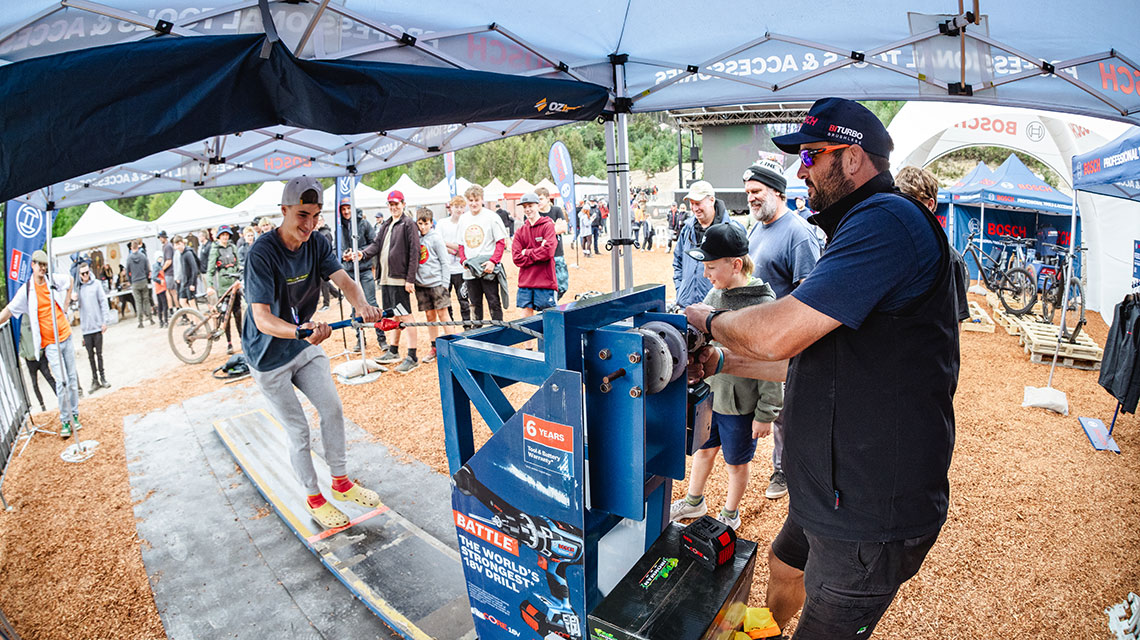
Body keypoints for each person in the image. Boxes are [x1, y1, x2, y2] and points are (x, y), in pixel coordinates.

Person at [684, 97, 959, 639]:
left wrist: (705, 322)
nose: (800, 169)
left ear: (852, 158)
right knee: (785, 565)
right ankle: (766, 631)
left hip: (869, 508)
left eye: (811, 155)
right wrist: (720, 360)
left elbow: (778, 331)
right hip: (827, 487)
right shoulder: (857, 226)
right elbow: (811, 360)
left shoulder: (889, 223)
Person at [242, 176, 383, 529]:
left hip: (302, 343)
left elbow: (346, 282)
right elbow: (261, 318)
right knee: (298, 431)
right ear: (284, 210)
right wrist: (299, 330)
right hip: (268, 356)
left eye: (316, 215)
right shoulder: (261, 252)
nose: (309, 224)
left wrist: (364, 305)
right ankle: (314, 497)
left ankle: (340, 482)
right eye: (302, 215)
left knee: (332, 408)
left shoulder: (317, 242)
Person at [670, 224, 781, 530]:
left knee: (736, 463)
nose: (706, 275)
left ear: (735, 264)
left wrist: (765, 414)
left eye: (711, 267)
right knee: (703, 450)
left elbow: (772, 366)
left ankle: (731, 514)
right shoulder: (714, 294)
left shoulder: (762, 306)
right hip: (711, 397)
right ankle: (694, 502)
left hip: (741, 406)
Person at [742, 160, 822, 501]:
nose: (751, 199)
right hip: (756, 338)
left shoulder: (798, 233)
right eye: (747, 194)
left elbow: (810, 295)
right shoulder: (756, 229)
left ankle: (784, 470)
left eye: (757, 192)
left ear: (778, 192)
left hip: (787, 341)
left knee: (785, 411)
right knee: (765, 404)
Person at [0, 251, 80, 437]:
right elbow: (9, 310)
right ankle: (65, 420)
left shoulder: (52, 279)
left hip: (65, 335)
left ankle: (74, 415)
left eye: (45, 265)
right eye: (39, 264)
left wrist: (66, 306)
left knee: (72, 379)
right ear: (32, 265)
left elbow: (69, 281)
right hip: (50, 343)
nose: (43, 268)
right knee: (61, 381)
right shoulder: (27, 290)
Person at [358, 190, 420, 373]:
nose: (393, 207)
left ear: (403, 203)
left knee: (406, 315)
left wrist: (410, 279)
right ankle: (393, 350)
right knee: (394, 315)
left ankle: (412, 355)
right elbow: (376, 245)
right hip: (385, 278)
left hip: (399, 278)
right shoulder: (386, 224)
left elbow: (414, 252)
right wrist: (362, 254)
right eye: (391, 205)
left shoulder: (408, 224)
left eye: (396, 204)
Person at [673, 180, 743, 308]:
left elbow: (742, 272)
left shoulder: (732, 230)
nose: (694, 208)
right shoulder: (687, 229)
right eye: (692, 204)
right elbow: (678, 262)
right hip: (687, 307)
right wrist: (681, 290)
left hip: (717, 309)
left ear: (711, 200)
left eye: (698, 203)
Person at [457, 185, 509, 326]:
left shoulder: (491, 217)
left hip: (487, 268)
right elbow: (461, 244)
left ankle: (498, 331)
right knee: (474, 303)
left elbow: (500, 242)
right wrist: (463, 260)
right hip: (470, 269)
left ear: (482, 200)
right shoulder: (463, 219)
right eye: (471, 200)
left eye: (476, 200)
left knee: (493, 301)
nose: (473, 203)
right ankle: (477, 333)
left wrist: (493, 261)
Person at [338, 201, 385, 353]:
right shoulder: (338, 228)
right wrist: (342, 255)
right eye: (343, 209)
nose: (346, 212)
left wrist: (359, 252)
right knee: (354, 307)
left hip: (364, 270)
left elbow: (374, 244)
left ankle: (381, 338)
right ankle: (360, 339)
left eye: (348, 208)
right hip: (348, 272)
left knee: (371, 303)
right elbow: (335, 249)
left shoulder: (364, 223)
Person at [413, 207, 451, 362]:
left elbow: (444, 261)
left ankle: (451, 345)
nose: (423, 227)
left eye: (426, 223)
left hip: (437, 283)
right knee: (430, 316)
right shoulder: (416, 238)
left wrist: (445, 283)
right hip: (422, 285)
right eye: (420, 223)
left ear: (431, 223)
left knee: (443, 314)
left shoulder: (436, 238)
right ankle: (434, 346)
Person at [511, 193, 558, 317]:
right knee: (526, 324)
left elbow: (548, 252)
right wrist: (539, 250)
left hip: (545, 282)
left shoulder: (548, 226)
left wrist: (526, 252)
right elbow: (516, 258)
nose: (527, 209)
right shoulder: (520, 231)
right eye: (525, 206)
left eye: (530, 205)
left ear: (538, 206)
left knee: (549, 321)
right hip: (525, 283)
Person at [74, 261, 111, 394]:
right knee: (90, 356)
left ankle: (103, 377)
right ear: (79, 274)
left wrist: (105, 321)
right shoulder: (77, 288)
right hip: (86, 328)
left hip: (97, 326)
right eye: (82, 273)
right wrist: (74, 299)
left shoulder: (96, 285)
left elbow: (103, 302)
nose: (85, 275)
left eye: (87, 272)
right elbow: (75, 307)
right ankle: (94, 380)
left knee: (99, 354)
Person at [207, 225, 244, 355]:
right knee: (226, 316)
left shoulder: (232, 247)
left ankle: (242, 340)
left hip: (235, 285)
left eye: (227, 235)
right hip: (224, 288)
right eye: (223, 235)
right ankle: (229, 343)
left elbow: (238, 264)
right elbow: (210, 269)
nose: (225, 237)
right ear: (219, 236)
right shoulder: (215, 249)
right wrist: (209, 285)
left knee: (238, 314)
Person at [437, 195, 472, 325]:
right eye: (456, 206)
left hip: (460, 268)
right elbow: (438, 242)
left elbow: (464, 246)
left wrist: (449, 245)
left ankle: (467, 324)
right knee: (446, 299)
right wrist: (454, 248)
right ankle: (449, 324)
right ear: (450, 207)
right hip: (445, 269)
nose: (458, 209)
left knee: (463, 298)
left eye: (461, 207)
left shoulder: (466, 224)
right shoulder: (442, 223)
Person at [534, 187, 569, 299]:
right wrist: (554, 227)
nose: (538, 202)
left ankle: (552, 303)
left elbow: (563, 228)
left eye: (541, 199)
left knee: (562, 286)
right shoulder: (535, 214)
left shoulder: (556, 210)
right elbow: (535, 234)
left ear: (548, 199)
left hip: (557, 254)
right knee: (544, 286)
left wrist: (546, 232)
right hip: (542, 255)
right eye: (537, 200)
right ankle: (548, 306)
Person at [19, 313, 56, 412]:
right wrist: (24, 353)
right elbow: (18, 340)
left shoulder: (32, 314)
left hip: (40, 356)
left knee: (49, 377)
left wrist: (43, 349)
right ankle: (42, 405)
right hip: (30, 359)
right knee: (34, 383)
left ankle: (60, 397)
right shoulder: (18, 320)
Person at [126, 240, 155, 327]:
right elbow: (147, 269)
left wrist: (131, 281)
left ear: (131, 248)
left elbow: (127, 272)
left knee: (138, 302)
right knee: (146, 301)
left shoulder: (129, 258)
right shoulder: (143, 256)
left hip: (135, 282)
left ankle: (140, 322)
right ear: (138, 247)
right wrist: (145, 277)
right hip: (143, 281)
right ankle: (150, 319)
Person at [151, 254, 170, 327]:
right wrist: (160, 281)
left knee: (160, 305)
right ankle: (165, 321)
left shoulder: (157, 266)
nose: (161, 259)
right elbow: (154, 277)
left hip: (159, 288)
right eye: (159, 258)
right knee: (164, 304)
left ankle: (161, 321)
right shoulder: (157, 266)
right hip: (161, 287)